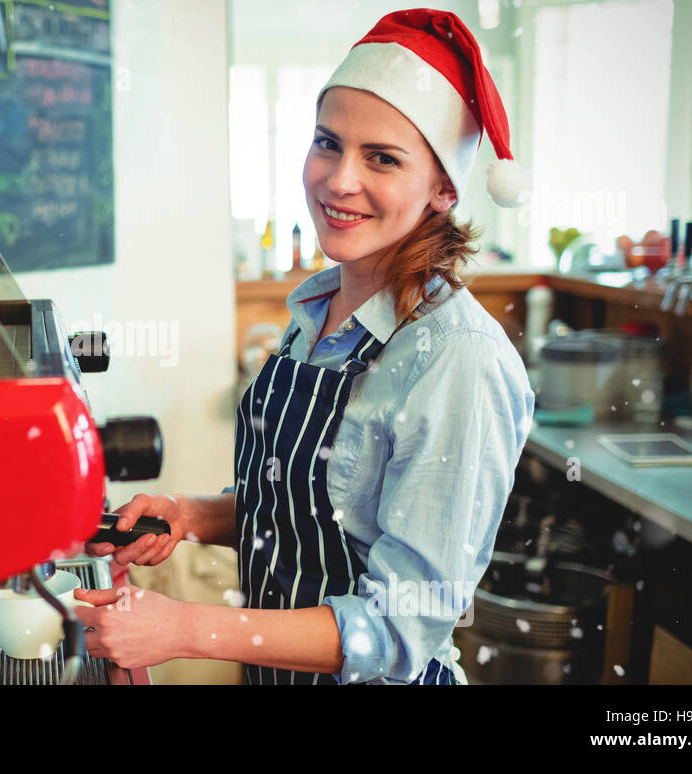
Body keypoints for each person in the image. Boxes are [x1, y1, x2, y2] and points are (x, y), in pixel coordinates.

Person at [74, 8, 536, 685]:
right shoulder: (314, 310)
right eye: (328, 143)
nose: (339, 180)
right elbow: (314, 506)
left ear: (442, 188)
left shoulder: (457, 359)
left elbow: (396, 627)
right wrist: (192, 515)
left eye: (382, 158)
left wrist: (180, 628)